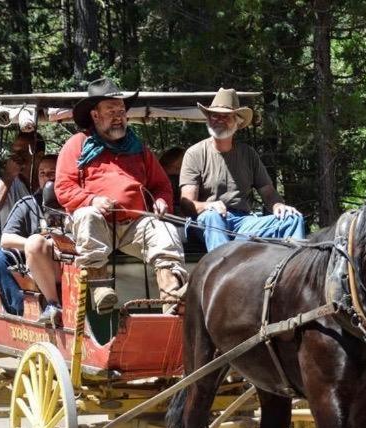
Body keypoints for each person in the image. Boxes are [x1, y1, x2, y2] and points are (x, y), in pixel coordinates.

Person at [55, 77, 187, 314]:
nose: (118, 115)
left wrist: (160, 201)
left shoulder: (138, 148)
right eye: (111, 110)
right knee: (88, 215)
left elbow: (161, 185)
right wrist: (92, 200)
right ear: (95, 115)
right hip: (96, 225)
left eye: (121, 110)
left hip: (133, 224)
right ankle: (99, 287)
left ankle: (171, 296)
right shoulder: (77, 144)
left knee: (163, 229)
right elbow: (64, 188)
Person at [179, 88, 306, 252]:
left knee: (292, 218)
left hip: (243, 222)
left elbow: (267, 191)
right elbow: (186, 204)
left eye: (226, 116)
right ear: (208, 119)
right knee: (213, 217)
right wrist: (208, 206)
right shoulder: (195, 153)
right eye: (214, 115)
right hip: (205, 222)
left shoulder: (248, 154)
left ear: (237, 122)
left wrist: (278, 206)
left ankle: (293, 273)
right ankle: (223, 270)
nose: (219, 120)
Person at [0, 155, 66, 322]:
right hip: (34, 259)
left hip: (65, 260)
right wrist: (36, 245)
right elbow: (6, 238)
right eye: (42, 173)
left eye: (52, 173)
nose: (47, 178)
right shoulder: (28, 204)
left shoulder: (74, 203)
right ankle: (20, 312)